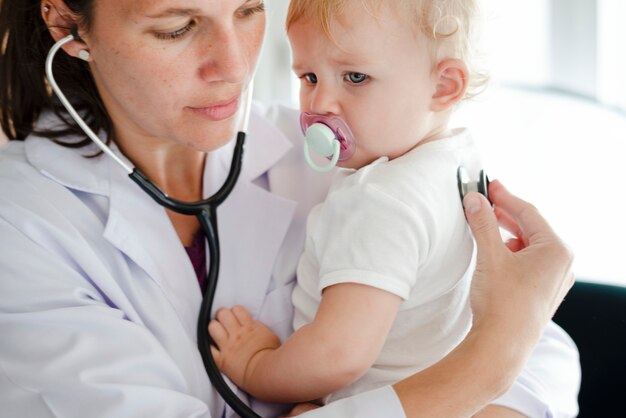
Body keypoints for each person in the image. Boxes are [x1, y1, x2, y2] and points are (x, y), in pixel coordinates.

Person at [0, 1, 578, 417]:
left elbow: (540, 352)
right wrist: (490, 365)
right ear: (68, 25)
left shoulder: (355, 151)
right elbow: (507, 339)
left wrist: (501, 366)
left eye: (249, 11)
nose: (231, 66)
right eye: (177, 28)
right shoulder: (20, 226)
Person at [208, 0, 581, 414]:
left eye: (355, 77)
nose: (322, 103)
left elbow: (338, 355)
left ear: (444, 86)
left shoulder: (378, 201)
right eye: (309, 76)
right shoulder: (455, 157)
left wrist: (257, 364)